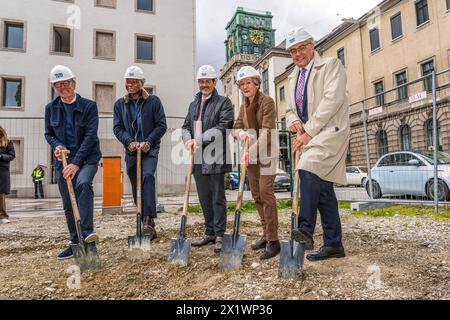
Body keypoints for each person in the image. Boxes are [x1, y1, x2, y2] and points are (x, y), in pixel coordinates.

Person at [285, 27, 350, 261]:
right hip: (312, 135)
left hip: (330, 130)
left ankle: (305, 230)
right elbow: (290, 109)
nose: (297, 54)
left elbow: (332, 101)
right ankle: (334, 244)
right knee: (323, 189)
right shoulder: (293, 76)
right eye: (293, 51)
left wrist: (308, 132)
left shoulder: (331, 65)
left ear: (313, 46)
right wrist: (293, 122)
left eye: (301, 47)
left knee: (307, 167)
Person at [44, 65, 102, 260]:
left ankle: (87, 235)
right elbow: (48, 134)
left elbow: (90, 136)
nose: (63, 87)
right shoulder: (50, 109)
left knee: (83, 183)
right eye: (58, 84)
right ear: (54, 87)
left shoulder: (89, 106)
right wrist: (57, 145)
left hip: (87, 158)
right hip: (63, 161)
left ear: (74, 83)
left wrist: (76, 163)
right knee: (68, 202)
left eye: (66, 83)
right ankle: (75, 241)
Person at [182, 65, 234, 254]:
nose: (204, 84)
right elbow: (186, 125)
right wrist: (188, 139)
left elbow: (223, 126)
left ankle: (220, 234)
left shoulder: (224, 102)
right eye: (201, 81)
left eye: (207, 81)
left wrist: (200, 139)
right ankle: (210, 232)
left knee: (217, 197)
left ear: (214, 82)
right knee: (204, 197)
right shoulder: (193, 104)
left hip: (216, 155)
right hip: (197, 157)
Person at [113, 66, 167, 240]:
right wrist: (129, 141)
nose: (131, 84)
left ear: (142, 83)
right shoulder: (120, 104)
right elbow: (117, 128)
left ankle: (149, 220)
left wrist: (149, 142)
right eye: (128, 81)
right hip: (131, 151)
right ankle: (141, 217)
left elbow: (161, 125)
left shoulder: (153, 101)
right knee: (136, 184)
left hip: (149, 150)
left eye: (135, 81)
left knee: (148, 177)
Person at [233, 66, 280, 260]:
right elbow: (235, 127)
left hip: (267, 153)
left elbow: (268, 131)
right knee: (256, 194)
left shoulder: (267, 102)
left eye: (248, 83)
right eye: (242, 84)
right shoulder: (243, 107)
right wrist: (240, 133)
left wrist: (250, 152)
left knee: (265, 192)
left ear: (257, 83)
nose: (245, 87)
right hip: (250, 157)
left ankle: (274, 241)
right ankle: (265, 233)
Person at [0, 126, 15, 225]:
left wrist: (1, 156)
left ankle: (3, 216)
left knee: (0, 194)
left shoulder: (8, 142)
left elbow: (12, 155)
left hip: (2, 171)